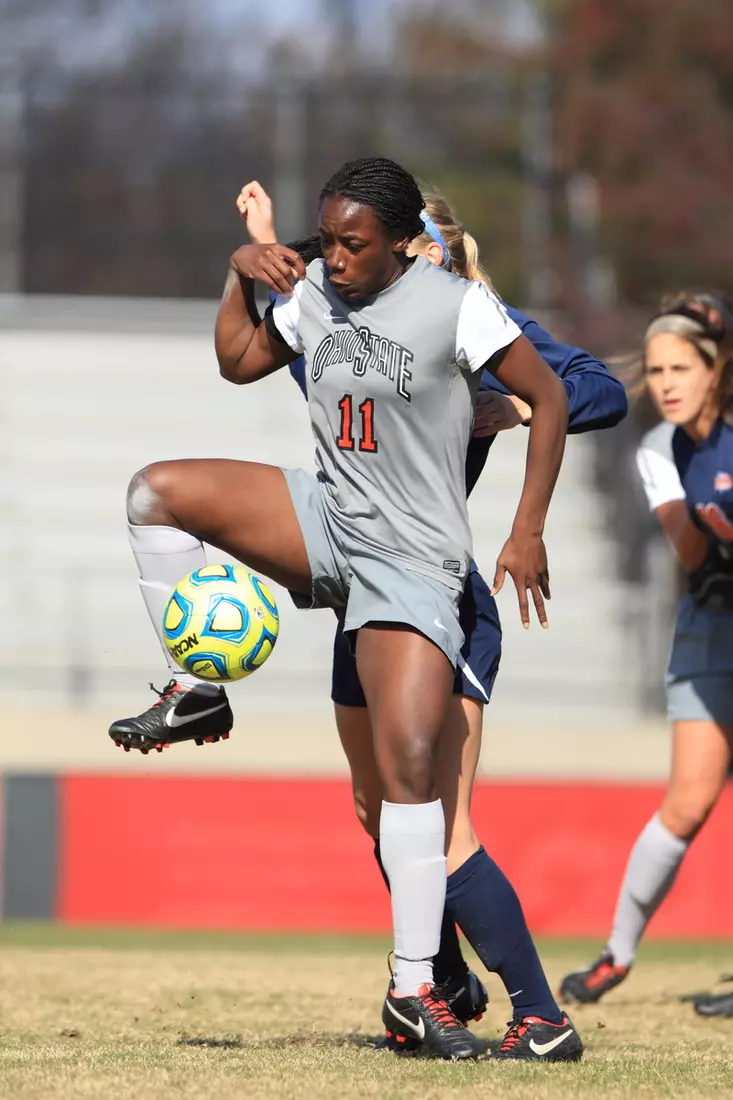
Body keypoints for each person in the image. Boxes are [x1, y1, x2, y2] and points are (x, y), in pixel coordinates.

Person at [108, 156, 570, 1060]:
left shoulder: (452, 303)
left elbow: (549, 394)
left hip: (411, 556)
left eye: (355, 244)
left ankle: (413, 994)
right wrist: (241, 270)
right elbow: (238, 362)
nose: (337, 258)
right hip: (326, 517)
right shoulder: (315, 286)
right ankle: (193, 684)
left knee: (404, 778)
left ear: (403, 244)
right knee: (154, 491)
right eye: (327, 240)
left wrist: (525, 531)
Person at [236, 180, 625, 1060]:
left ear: (429, 253)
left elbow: (595, 389)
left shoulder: (474, 318)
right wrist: (260, 252)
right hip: (361, 590)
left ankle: (539, 1014)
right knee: (377, 811)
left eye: (415, 257)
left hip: (436, 590)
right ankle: (438, 981)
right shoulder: (350, 312)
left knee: (442, 821)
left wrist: (513, 404)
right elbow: (300, 354)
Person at [560, 291, 733, 1005]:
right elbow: (691, 553)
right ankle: (616, 955)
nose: (662, 382)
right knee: (686, 805)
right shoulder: (657, 449)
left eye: (678, 368)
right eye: (655, 368)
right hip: (706, 624)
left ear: (714, 370)